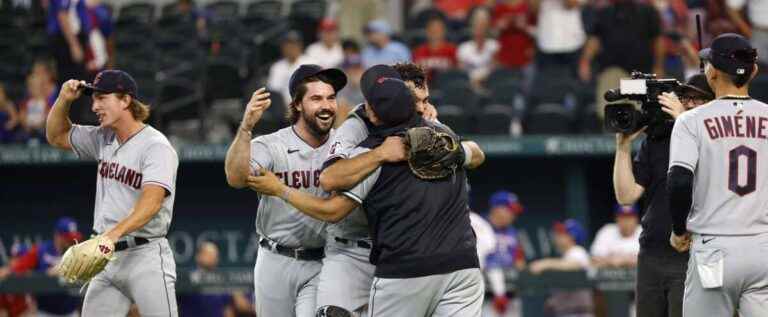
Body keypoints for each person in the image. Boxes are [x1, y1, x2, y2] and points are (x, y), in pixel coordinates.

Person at [247, 75, 485, 316]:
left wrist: (280, 189)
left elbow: (331, 195)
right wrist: (457, 150)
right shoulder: (441, 138)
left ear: (374, 113)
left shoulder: (374, 152)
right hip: (462, 266)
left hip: (406, 267)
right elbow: (477, 154)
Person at [45, 69, 180, 316]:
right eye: (93, 98)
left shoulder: (156, 146)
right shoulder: (103, 137)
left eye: (102, 98)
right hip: (107, 258)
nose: (95, 106)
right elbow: (56, 136)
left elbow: (151, 203)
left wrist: (111, 235)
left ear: (126, 100)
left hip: (145, 255)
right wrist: (64, 99)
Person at [224, 64, 348, 317]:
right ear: (298, 104)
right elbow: (236, 178)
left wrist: (280, 189)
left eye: (331, 98)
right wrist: (246, 128)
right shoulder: (272, 145)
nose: (326, 105)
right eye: (316, 98)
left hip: (324, 259)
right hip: (276, 258)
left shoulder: (345, 145)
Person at [668, 33, 767, 316]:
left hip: (715, 246)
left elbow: (679, 181)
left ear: (711, 72)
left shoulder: (690, 120)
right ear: (754, 69)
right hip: (763, 246)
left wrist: (678, 230)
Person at [613, 72, 714, 317]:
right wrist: (623, 147)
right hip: (652, 253)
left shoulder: (714, 141)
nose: (689, 103)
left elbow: (711, 171)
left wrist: (684, 120)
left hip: (692, 253)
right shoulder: (658, 140)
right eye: (685, 97)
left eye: (697, 100)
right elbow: (626, 195)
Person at [579, 0, 665, 121]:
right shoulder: (603, 12)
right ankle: (612, 139)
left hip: (638, 72)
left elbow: (658, 40)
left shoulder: (647, 11)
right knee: (610, 113)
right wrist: (585, 62)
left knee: (638, 114)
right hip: (612, 70)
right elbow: (594, 40)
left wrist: (658, 66)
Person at [7, 217, 83, 317]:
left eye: (73, 237)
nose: (70, 241)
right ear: (57, 236)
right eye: (67, 238)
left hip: (70, 312)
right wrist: (46, 274)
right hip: (45, 312)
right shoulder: (41, 250)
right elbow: (18, 269)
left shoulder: (77, 252)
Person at [529, 219, 593, 317]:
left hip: (578, 312)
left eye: (562, 233)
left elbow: (574, 265)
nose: (557, 236)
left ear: (572, 236)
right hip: (567, 311)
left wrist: (546, 263)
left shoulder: (578, 251)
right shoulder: (567, 255)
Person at [484, 190, 525, 316]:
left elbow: (519, 261)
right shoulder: (480, 226)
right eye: (510, 210)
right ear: (497, 208)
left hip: (510, 295)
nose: (513, 215)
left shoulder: (513, 232)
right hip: (486, 295)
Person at [179, 242, 235, 317]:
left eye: (215, 255)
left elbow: (227, 310)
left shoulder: (221, 283)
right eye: (208, 254)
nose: (212, 257)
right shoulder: (185, 279)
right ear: (198, 256)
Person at [457, 7, 499, 90]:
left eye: (483, 25)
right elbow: (461, 73)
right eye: (477, 24)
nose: (480, 28)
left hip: (489, 85)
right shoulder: (463, 48)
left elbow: (495, 71)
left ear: (488, 27)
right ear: (472, 27)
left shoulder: (494, 46)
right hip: (469, 86)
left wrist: (479, 78)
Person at [267, 31, 312, 105]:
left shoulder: (311, 63)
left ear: (300, 45)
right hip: (282, 111)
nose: (291, 48)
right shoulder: (277, 67)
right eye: (288, 44)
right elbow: (273, 93)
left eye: (294, 44)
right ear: (283, 47)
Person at [413, 15, 458, 79]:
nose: (435, 33)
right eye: (432, 30)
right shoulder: (418, 51)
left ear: (444, 31)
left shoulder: (452, 50)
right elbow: (414, 74)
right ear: (427, 32)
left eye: (438, 30)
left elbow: (456, 72)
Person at [726, 0, 768, 64]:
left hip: (758, 34)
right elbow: (732, 8)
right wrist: (746, 30)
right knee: (759, 69)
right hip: (759, 34)